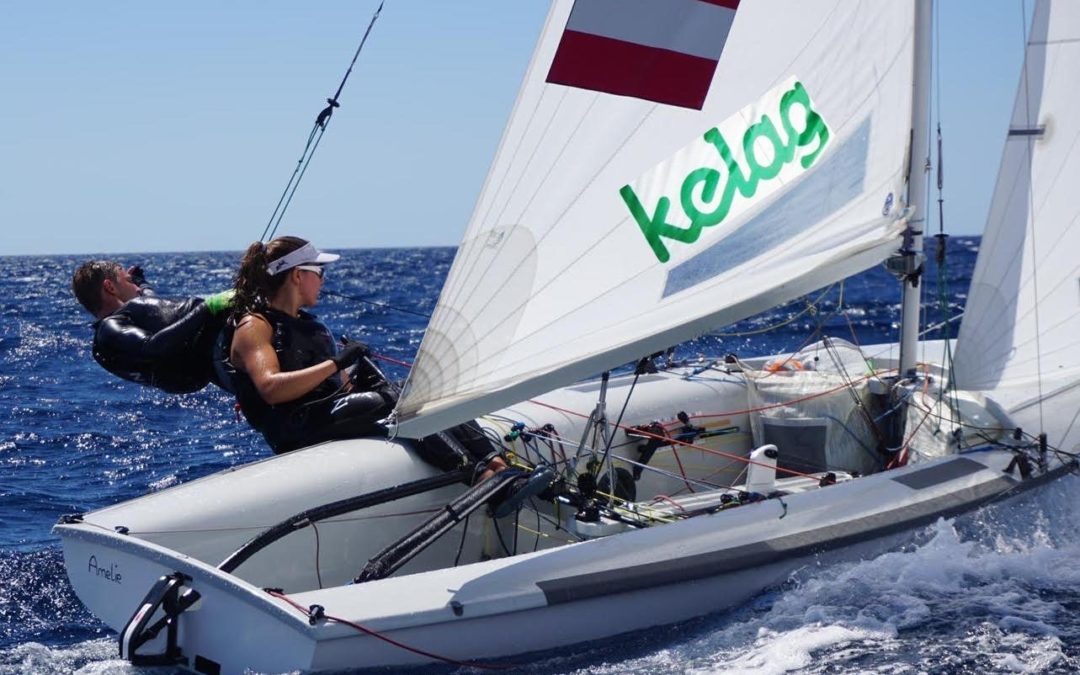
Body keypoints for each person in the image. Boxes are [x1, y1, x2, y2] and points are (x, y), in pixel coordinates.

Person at [221, 236, 509, 484]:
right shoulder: (254, 326)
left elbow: (338, 389)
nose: (323, 279)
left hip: (322, 414)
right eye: (319, 270)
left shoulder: (311, 326)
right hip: (294, 430)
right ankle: (477, 474)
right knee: (390, 400)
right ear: (297, 275)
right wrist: (336, 363)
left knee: (418, 389)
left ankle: (496, 463)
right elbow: (271, 388)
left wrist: (355, 373)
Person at [71, 260, 234, 393]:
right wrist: (209, 307)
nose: (136, 288)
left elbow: (152, 303)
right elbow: (152, 346)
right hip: (218, 346)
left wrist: (141, 282)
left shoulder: (131, 317)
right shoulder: (109, 329)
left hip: (216, 343)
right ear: (110, 287)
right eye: (129, 282)